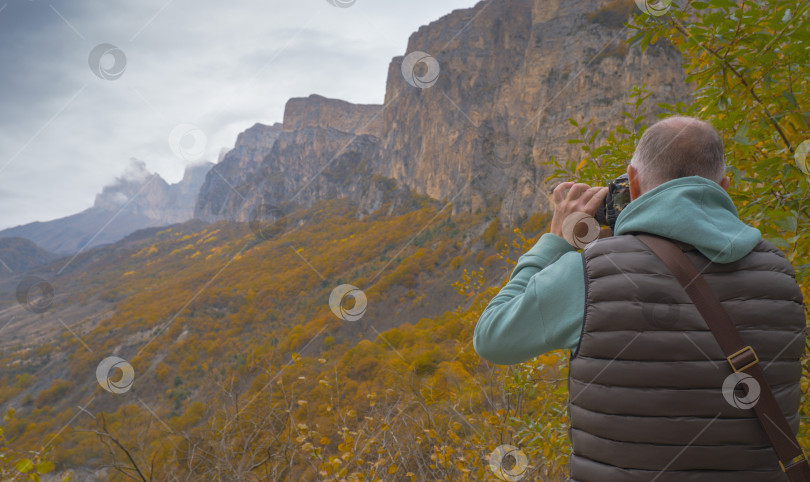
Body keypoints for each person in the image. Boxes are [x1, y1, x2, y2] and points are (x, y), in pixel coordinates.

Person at [474, 116, 806, 480]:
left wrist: (555, 241)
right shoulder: (779, 273)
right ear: (724, 187)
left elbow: (492, 338)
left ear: (632, 182)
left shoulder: (586, 272)